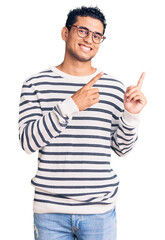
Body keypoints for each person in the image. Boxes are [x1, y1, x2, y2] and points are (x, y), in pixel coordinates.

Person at [18, 6, 147, 240]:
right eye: (82, 31)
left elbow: (122, 148)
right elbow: (27, 143)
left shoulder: (113, 87)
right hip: (50, 214)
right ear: (65, 33)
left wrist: (131, 115)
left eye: (97, 35)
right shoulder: (35, 84)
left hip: (99, 212)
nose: (89, 39)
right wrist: (71, 105)